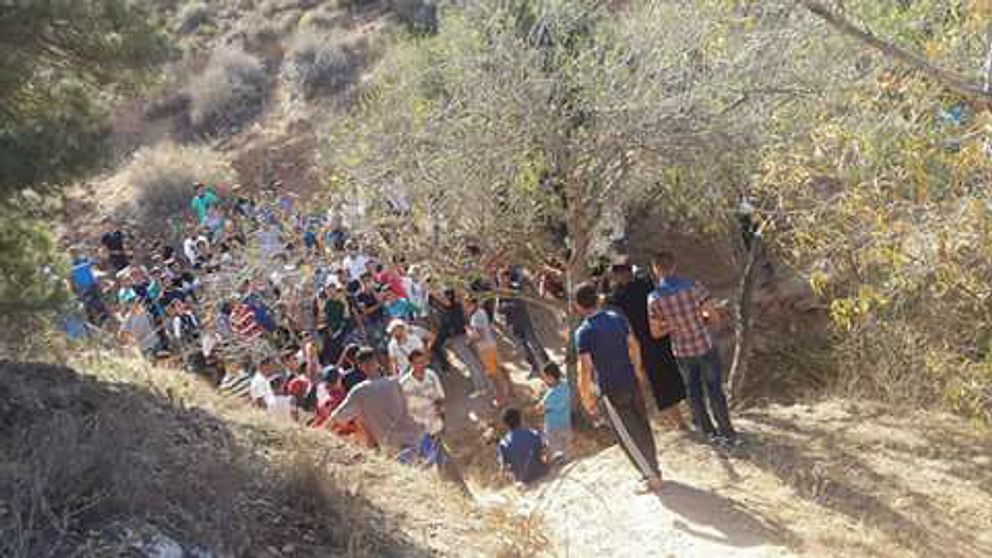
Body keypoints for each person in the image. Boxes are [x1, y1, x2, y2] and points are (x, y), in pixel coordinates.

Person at [574, 282, 663, 493]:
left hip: (612, 389)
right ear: (597, 298)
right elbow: (634, 345)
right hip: (631, 380)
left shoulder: (584, 332)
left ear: (578, 306)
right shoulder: (616, 318)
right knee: (643, 428)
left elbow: (585, 369)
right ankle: (654, 469)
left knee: (627, 436)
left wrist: (586, 397)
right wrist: (637, 370)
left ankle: (651, 477)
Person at [648, 251, 738, 446]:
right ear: (674, 266)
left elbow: (655, 333)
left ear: (656, 270)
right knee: (715, 390)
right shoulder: (694, 287)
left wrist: (672, 325)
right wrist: (705, 322)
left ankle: (708, 432)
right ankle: (727, 432)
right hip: (704, 345)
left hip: (682, 351)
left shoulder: (654, 299)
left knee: (694, 392)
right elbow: (712, 314)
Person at [608, 260, 686, 428]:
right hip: (662, 335)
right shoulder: (645, 283)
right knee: (679, 373)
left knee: (661, 384)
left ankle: (680, 423)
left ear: (617, 275)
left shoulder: (616, 297)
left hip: (644, 344)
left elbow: (611, 307)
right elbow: (645, 278)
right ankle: (696, 415)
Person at [329, 347, 425, 457]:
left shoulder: (359, 391)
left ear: (360, 367)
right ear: (377, 362)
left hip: (393, 450)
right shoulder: (396, 382)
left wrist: (316, 433)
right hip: (416, 441)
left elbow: (336, 418)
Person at [497, 270, 548, 377]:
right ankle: (535, 368)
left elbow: (519, 303)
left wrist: (507, 306)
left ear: (508, 277)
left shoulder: (516, 287)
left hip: (524, 320)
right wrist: (508, 305)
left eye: (503, 278)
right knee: (524, 349)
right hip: (513, 324)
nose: (501, 280)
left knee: (534, 343)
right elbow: (499, 309)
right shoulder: (500, 292)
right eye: (499, 278)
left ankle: (547, 364)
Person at [466, 294, 509, 405]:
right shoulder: (482, 312)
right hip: (492, 345)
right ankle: (510, 391)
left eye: (467, 305)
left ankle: (502, 399)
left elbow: (479, 335)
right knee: (500, 369)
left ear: (473, 304)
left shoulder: (475, 317)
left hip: (485, 349)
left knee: (495, 375)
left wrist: (470, 339)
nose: (466, 307)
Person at [497, 407, 548, 486]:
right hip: (541, 472)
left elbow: (503, 467)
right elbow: (544, 451)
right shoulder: (533, 433)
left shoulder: (503, 443)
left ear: (506, 424)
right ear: (520, 419)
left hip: (523, 480)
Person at [538, 362, 571, 463]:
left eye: (545, 377)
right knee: (565, 445)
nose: (544, 380)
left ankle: (557, 461)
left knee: (553, 446)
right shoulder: (566, 386)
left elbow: (541, 408)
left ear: (551, 377)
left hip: (552, 425)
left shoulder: (550, 395)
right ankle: (566, 458)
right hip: (566, 421)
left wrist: (540, 406)